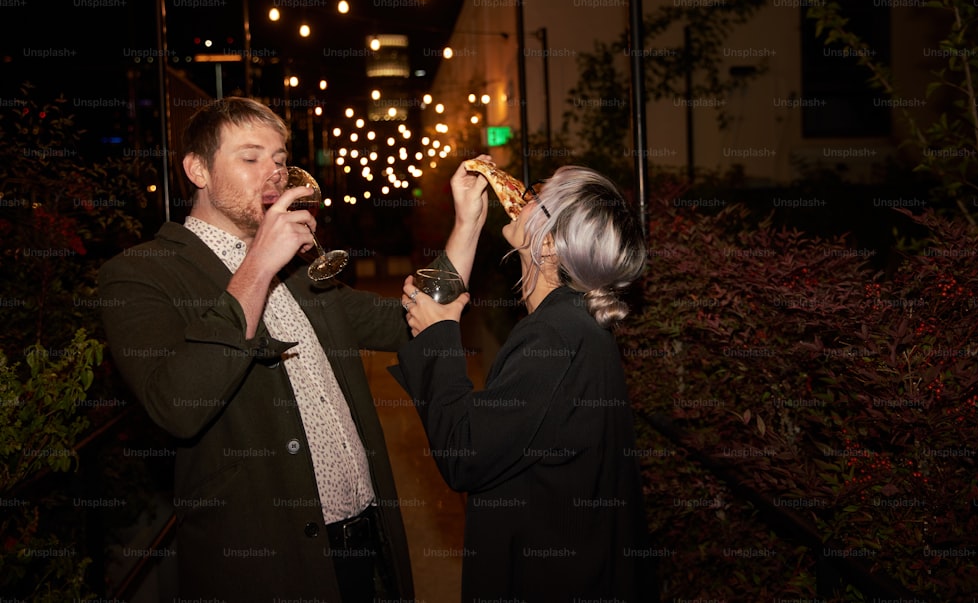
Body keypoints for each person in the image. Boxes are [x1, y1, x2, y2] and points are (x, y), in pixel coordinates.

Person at [98, 97, 415, 602]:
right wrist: (257, 266)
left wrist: (466, 226)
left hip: (366, 537)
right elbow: (177, 406)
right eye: (251, 158)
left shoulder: (299, 268)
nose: (274, 172)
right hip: (269, 563)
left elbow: (404, 325)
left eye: (280, 159)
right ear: (197, 169)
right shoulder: (140, 274)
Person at [390, 162, 659, 601]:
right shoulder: (575, 324)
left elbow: (466, 452)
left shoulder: (554, 336)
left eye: (538, 196)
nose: (521, 195)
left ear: (551, 244)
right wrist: (467, 222)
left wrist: (441, 335)